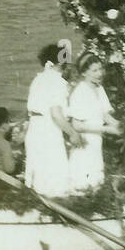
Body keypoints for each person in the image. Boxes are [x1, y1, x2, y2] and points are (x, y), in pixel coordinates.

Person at [24, 44, 82, 197]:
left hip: (34, 128)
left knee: (38, 174)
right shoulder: (57, 82)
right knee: (54, 176)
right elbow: (56, 114)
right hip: (48, 131)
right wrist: (72, 133)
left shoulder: (38, 79)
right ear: (61, 63)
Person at [66, 52, 122, 192]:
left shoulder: (99, 88)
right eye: (94, 70)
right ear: (84, 73)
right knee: (85, 183)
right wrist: (107, 130)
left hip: (97, 141)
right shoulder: (80, 91)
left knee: (97, 181)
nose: (99, 74)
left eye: (100, 69)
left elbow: (106, 116)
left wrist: (123, 127)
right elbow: (76, 125)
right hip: (84, 142)